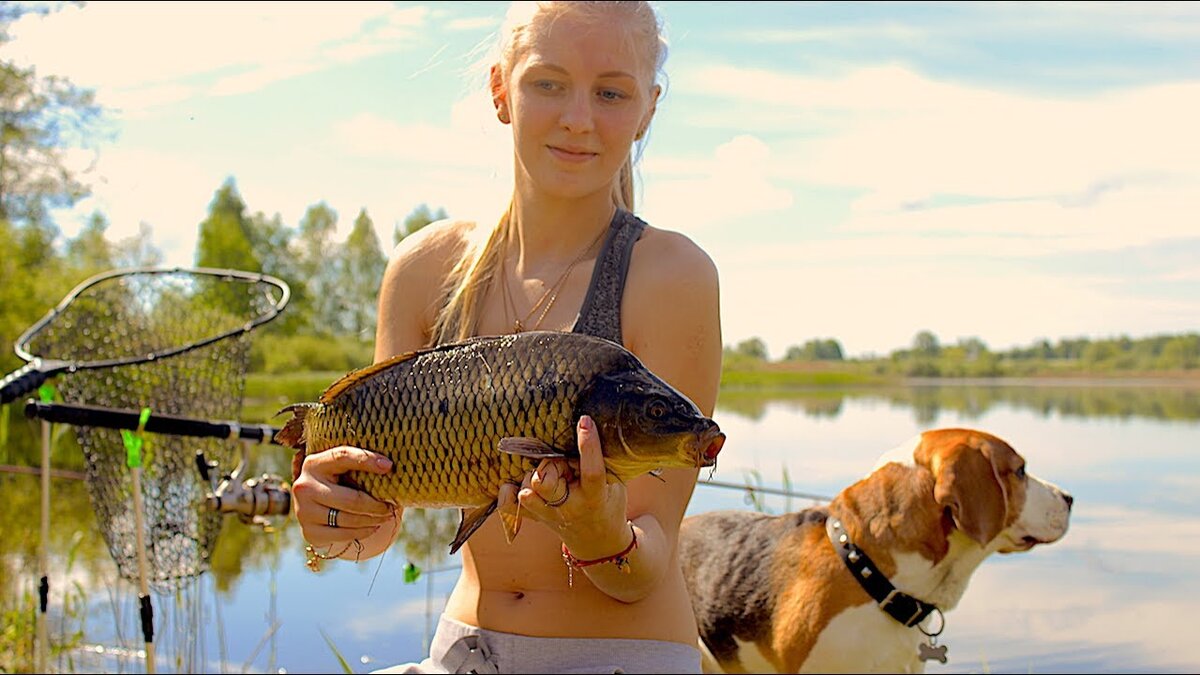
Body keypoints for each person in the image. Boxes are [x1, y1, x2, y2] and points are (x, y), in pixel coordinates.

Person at [290, 2, 722, 672]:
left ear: (648, 110)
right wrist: (336, 519)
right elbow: (373, 524)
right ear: (501, 91)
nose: (578, 117)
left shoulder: (672, 274)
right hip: (462, 648)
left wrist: (600, 533)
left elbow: (646, 563)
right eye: (548, 83)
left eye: (611, 92)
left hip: (622, 654)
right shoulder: (422, 269)